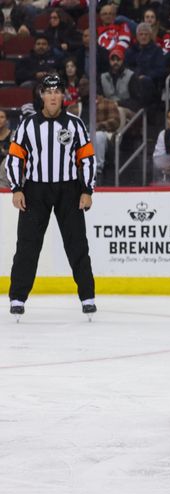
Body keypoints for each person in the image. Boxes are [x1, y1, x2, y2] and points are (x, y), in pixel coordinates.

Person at [4, 74, 97, 317]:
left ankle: (87, 296)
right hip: (35, 190)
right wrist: (17, 188)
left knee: (77, 244)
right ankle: (18, 298)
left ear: (63, 95)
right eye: (49, 92)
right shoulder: (27, 125)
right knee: (27, 245)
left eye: (58, 92)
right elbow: (15, 158)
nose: (53, 96)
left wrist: (87, 190)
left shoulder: (76, 124)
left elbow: (86, 158)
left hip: (69, 189)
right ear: (42, 95)